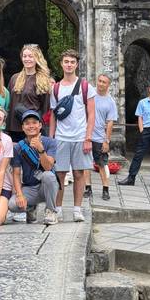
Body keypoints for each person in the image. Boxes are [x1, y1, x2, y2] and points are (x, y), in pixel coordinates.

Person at [49, 49, 95, 222]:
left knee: (78, 174)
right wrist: (52, 137)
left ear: (76, 64)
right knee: (59, 174)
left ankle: (77, 209)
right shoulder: (55, 88)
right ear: (61, 64)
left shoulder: (85, 87)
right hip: (61, 137)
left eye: (72, 62)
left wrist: (88, 137)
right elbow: (53, 114)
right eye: (66, 61)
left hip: (80, 136)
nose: (69, 65)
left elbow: (91, 114)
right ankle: (58, 209)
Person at [8, 110, 59, 225]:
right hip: (29, 187)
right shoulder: (18, 147)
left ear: (40, 125)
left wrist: (41, 150)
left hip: (46, 186)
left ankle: (51, 211)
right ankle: (30, 208)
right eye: (27, 123)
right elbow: (16, 174)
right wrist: (20, 195)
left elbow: (48, 167)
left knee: (48, 176)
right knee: (12, 205)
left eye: (34, 122)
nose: (31, 126)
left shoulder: (50, 142)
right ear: (23, 127)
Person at [118, 82, 150, 189]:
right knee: (138, 155)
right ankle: (131, 178)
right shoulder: (142, 103)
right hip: (146, 131)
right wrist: (142, 130)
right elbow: (140, 117)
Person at [6, 44, 51, 143]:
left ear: (37, 58)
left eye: (31, 56)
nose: (27, 59)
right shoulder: (14, 78)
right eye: (25, 56)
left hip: (32, 127)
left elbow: (46, 107)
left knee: (32, 157)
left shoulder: (43, 80)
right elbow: (8, 103)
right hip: (14, 127)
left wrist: (40, 126)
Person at [84, 73, 118, 201]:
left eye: (104, 82)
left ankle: (105, 189)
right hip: (86, 135)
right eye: (99, 81)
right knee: (86, 163)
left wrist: (106, 141)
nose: (101, 84)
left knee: (102, 164)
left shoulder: (110, 102)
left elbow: (110, 123)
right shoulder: (89, 93)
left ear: (108, 85)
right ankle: (88, 187)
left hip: (99, 136)